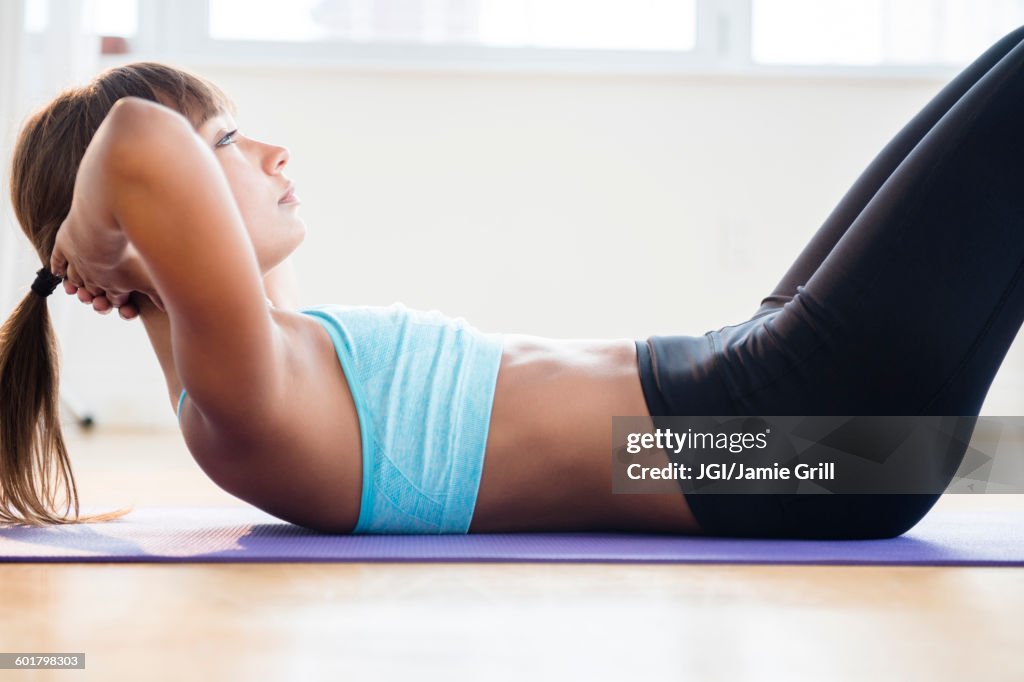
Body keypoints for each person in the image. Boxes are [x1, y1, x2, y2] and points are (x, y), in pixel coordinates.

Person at [3, 21, 1024, 536]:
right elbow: (138, 137)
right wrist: (94, 237)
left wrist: (107, 236)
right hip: (787, 443)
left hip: (758, 407)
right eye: (225, 140)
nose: (271, 151)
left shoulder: (273, 358)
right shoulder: (237, 403)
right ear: (131, 235)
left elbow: (144, 156)